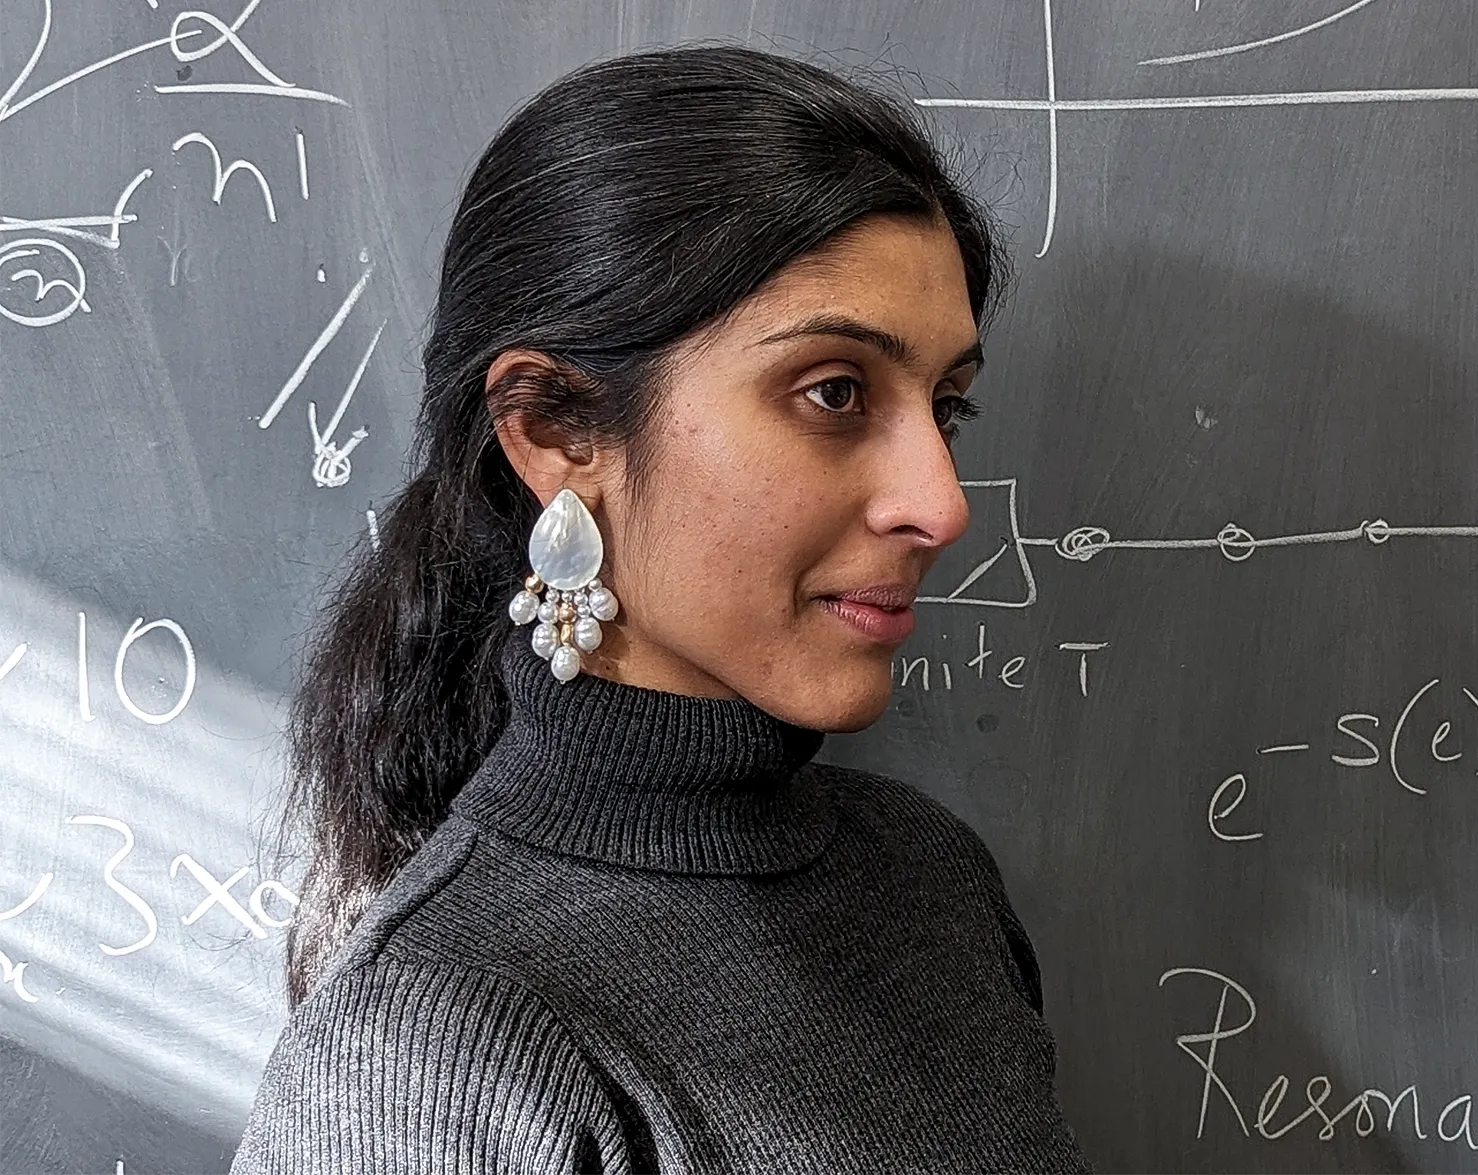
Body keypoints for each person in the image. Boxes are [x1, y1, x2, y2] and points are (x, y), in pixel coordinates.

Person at [227, 44, 1095, 1175]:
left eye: (947, 409)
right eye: (834, 392)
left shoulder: (929, 877)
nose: (943, 503)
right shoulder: (432, 1055)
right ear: (553, 432)